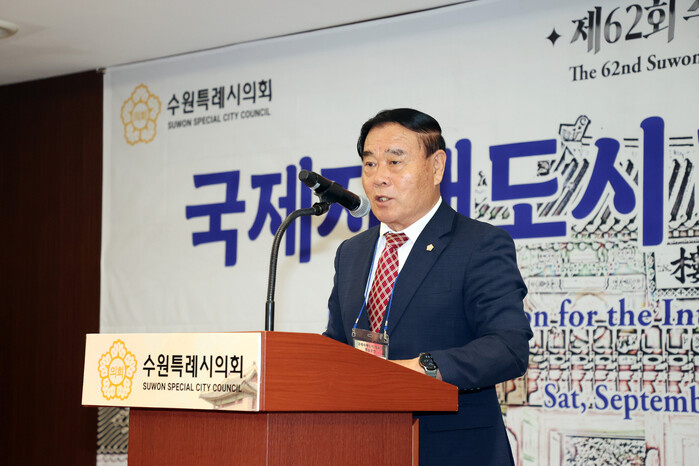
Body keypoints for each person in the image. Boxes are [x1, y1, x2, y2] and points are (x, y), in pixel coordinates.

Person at [323, 108, 532, 465]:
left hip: (453, 451)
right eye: (370, 164)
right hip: (363, 445)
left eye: (395, 162)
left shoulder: (479, 244)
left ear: (436, 167)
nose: (379, 178)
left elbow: (508, 347)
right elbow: (338, 344)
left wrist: (423, 368)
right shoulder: (351, 253)